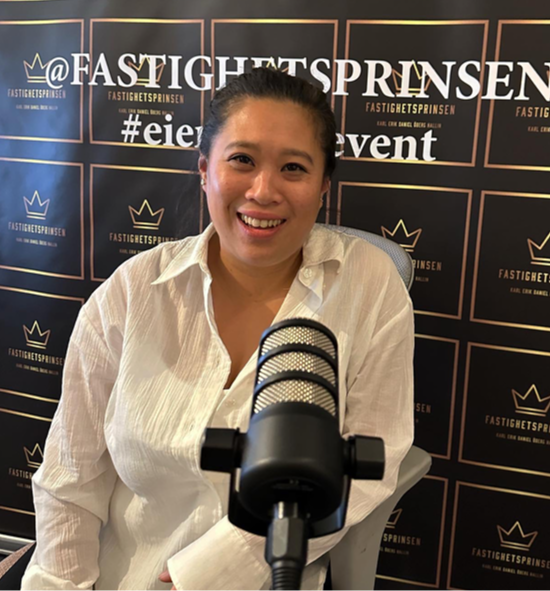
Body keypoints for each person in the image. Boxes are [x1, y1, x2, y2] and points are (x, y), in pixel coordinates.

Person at [20, 67, 414, 591]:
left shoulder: (369, 285)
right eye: (242, 160)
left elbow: (370, 466)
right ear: (205, 169)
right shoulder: (133, 290)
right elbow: (70, 477)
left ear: (323, 185)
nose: (263, 191)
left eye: (293, 168)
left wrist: (202, 576)